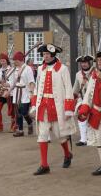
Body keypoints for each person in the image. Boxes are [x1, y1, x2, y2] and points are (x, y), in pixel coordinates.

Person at [29, 43, 76, 175]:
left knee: (60, 136)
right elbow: (37, 88)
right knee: (42, 135)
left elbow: (68, 90)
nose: (46, 56)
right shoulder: (40, 69)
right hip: (43, 106)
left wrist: (68, 109)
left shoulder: (63, 69)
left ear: (53, 55)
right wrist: (34, 105)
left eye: (48, 54)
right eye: (44, 54)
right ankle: (44, 165)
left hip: (57, 107)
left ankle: (67, 154)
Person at [9, 51, 36, 137]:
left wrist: (31, 92)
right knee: (18, 113)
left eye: (15, 60)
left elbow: (32, 81)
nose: (14, 62)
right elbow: (12, 82)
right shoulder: (15, 69)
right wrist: (9, 90)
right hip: (16, 93)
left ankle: (30, 123)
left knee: (24, 112)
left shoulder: (28, 69)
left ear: (20, 60)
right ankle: (20, 130)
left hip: (25, 93)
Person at [73, 55, 94, 146]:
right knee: (81, 117)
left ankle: (94, 138)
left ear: (89, 63)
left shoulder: (95, 72)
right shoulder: (78, 74)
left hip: (94, 99)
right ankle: (83, 139)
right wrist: (72, 97)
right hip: (83, 99)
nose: (84, 64)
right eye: (82, 63)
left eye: (85, 62)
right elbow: (76, 88)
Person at [0, 53, 16, 132]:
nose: (2, 62)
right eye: (1, 61)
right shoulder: (1, 69)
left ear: (7, 61)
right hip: (2, 91)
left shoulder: (11, 69)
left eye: (3, 61)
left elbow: (13, 82)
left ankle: (13, 127)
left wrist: (7, 85)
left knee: (12, 111)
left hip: (10, 92)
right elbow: (0, 79)